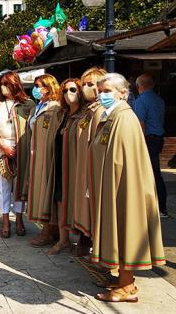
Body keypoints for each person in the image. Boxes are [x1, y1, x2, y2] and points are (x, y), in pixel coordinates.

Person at [91, 73, 165, 303]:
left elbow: (123, 161)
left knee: (124, 230)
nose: (101, 95)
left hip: (123, 188)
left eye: (107, 91)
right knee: (119, 231)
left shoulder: (125, 118)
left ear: (123, 93)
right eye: (100, 90)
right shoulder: (113, 116)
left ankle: (127, 286)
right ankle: (122, 279)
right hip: (112, 185)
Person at [0, 71, 35, 238]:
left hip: (21, 149)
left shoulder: (28, 104)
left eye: (6, 84)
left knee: (19, 186)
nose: (3, 87)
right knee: (3, 187)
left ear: (15, 85)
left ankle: (19, 219)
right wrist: (3, 146)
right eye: (1, 84)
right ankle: (5, 221)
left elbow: (31, 129)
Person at [70, 67, 106, 255]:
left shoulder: (101, 111)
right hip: (82, 166)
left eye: (90, 84)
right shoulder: (88, 110)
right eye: (83, 84)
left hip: (92, 169)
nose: (85, 88)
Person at [27, 74, 64, 247]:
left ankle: (48, 230)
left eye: (38, 85)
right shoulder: (38, 106)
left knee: (45, 191)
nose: (35, 88)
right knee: (39, 191)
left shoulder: (55, 108)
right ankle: (50, 228)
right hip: (37, 154)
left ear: (48, 87)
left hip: (48, 156)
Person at [48, 78, 83, 255]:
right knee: (60, 202)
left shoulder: (85, 115)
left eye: (73, 90)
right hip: (61, 166)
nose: (68, 94)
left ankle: (84, 242)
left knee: (79, 204)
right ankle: (63, 240)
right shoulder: (62, 114)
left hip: (78, 167)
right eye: (65, 90)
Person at [134, 74, 168, 218]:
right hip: (158, 138)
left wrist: (138, 143)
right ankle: (161, 207)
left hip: (148, 139)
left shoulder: (141, 101)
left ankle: (158, 208)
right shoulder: (159, 100)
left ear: (139, 86)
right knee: (155, 173)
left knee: (148, 173)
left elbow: (140, 123)